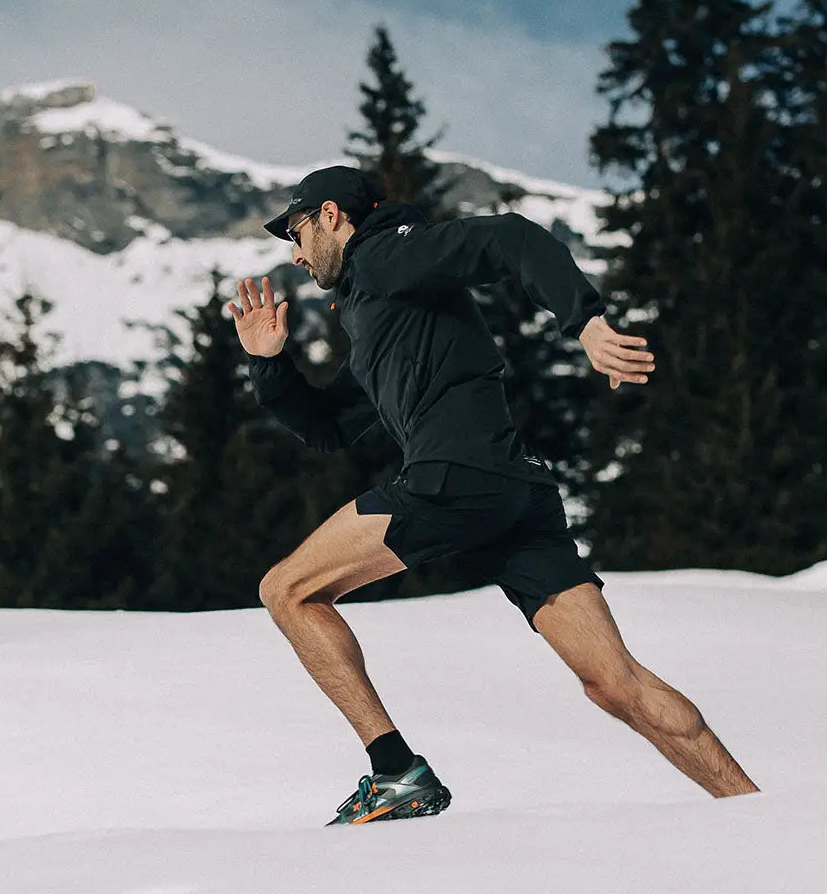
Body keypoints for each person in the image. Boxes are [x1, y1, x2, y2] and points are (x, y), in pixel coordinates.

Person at [229, 165, 759, 827]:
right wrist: (269, 363)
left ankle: (396, 773)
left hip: (454, 479)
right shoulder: (379, 307)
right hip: (516, 495)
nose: (297, 253)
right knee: (614, 683)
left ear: (334, 216)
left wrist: (586, 322)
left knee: (288, 590)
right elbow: (332, 428)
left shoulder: (388, 253)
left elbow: (509, 238)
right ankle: (756, 814)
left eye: (300, 231)